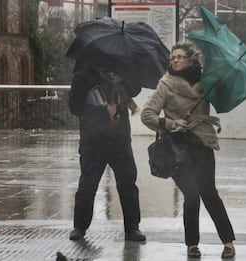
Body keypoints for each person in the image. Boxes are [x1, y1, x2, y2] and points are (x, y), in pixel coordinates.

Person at [140, 42, 236, 259]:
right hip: (178, 148)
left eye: (180, 57)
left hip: (202, 143)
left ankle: (228, 242)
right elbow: (147, 115)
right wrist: (172, 124)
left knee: (209, 194)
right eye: (173, 57)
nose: (175, 60)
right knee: (191, 195)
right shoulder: (165, 85)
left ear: (191, 60)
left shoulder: (206, 83)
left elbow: (222, 99)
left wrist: (221, 84)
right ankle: (192, 244)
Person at [68, 66, 146, 242]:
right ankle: (80, 226)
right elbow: (75, 107)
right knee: (88, 184)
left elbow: (135, 88)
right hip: (93, 140)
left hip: (120, 139)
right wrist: (102, 112)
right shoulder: (83, 76)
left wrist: (122, 77)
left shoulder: (120, 73)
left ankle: (132, 227)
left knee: (128, 184)